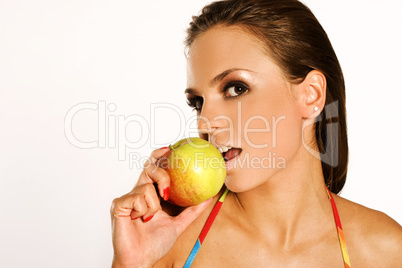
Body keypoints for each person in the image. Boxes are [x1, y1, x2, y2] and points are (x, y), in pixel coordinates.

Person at [110, 0, 402, 267]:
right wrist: (131, 263)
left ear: (311, 96)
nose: (206, 123)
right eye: (198, 102)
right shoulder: (173, 242)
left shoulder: (385, 250)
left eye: (236, 88)